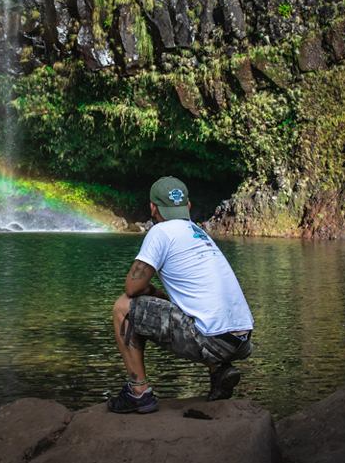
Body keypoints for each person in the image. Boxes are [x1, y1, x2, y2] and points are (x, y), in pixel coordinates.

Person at [107, 176, 254, 414]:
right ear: (187, 206)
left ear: (153, 207)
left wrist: (155, 293)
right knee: (197, 311)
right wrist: (159, 296)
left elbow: (132, 288)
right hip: (242, 340)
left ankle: (139, 393)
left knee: (123, 307)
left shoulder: (161, 232)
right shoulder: (199, 232)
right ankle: (219, 371)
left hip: (213, 341)